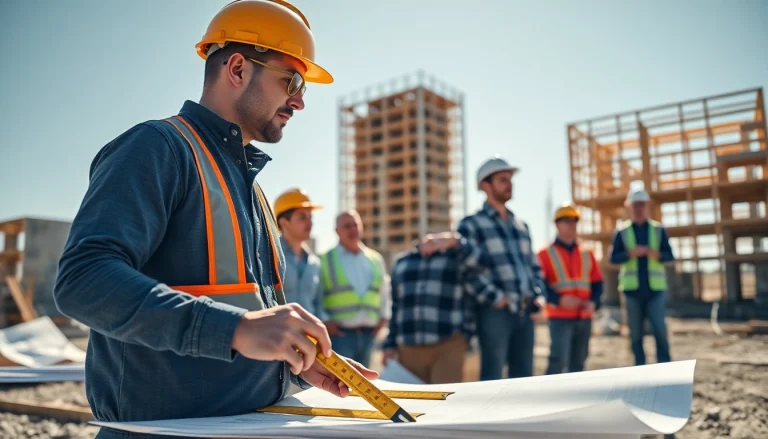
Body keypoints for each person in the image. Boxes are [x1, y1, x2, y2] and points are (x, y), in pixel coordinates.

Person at [52, 2, 376, 438]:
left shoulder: (252, 190)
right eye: (292, 80)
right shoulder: (158, 148)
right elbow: (82, 281)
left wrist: (293, 363)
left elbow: (246, 314)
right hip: (160, 431)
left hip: (245, 424)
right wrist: (236, 330)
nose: (299, 100)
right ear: (238, 68)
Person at [457, 155, 547, 380]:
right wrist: (497, 299)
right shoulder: (471, 224)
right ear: (486, 186)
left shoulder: (521, 226)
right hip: (494, 312)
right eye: (503, 180)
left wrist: (538, 295)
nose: (509, 184)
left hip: (525, 312)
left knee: (524, 377)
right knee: (492, 375)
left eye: (510, 179)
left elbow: (533, 266)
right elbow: (466, 272)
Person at [382, 232, 487, 384]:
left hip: (449, 345)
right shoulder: (401, 263)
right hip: (408, 348)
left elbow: (482, 263)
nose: (431, 241)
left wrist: (454, 241)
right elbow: (396, 306)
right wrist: (389, 344)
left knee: (446, 403)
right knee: (413, 405)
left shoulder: (455, 259)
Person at [610, 189, 675, 366]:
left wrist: (657, 255)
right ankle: (640, 369)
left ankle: (665, 368)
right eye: (635, 205)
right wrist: (629, 254)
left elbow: (669, 256)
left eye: (642, 205)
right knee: (635, 334)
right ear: (629, 207)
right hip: (631, 291)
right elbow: (613, 258)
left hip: (655, 290)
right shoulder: (621, 232)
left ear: (648, 206)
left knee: (660, 330)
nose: (639, 208)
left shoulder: (658, 229)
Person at [319, 210, 391, 367]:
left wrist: (384, 317)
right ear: (337, 231)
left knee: (365, 385)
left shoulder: (375, 259)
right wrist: (325, 321)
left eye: (355, 225)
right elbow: (317, 295)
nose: (353, 229)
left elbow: (384, 290)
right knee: (341, 387)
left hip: (369, 336)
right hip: (339, 336)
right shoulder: (325, 259)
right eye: (347, 226)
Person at [537, 204, 603, 374]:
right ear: (557, 224)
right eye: (567, 221)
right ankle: (551, 399)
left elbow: (597, 283)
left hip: (584, 317)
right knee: (558, 361)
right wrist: (559, 300)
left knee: (579, 364)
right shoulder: (544, 254)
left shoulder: (587, 253)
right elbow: (539, 285)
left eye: (575, 221)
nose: (572, 224)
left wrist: (594, 303)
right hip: (559, 318)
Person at [274, 188, 327, 319]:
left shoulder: (315, 263)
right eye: (302, 217)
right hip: (276, 336)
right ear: (284, 222)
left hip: (308, 337)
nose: (310, 223)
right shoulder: (269, 256)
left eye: (310, 217)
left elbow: (318, 303)